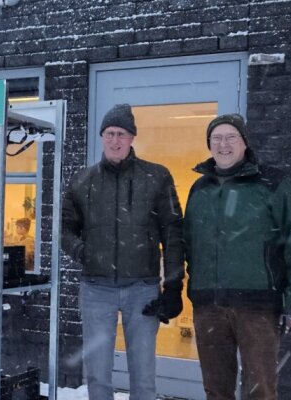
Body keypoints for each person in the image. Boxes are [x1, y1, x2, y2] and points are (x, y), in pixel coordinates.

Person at [183, 114, 291, 400]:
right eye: (216, 138)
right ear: (209, 144)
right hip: (209, 305)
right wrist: (195, 288)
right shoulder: (200, 189)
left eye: (231, 137)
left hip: (258, 306)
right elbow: (189, 243)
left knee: (260, 390)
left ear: (244, 143)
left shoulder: (272, 183)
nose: (223, 144)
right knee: (216, 390)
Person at [61, 103, 185, 400]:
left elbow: (173, 232)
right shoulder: (82, 180)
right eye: (110, 133)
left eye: (122, 134)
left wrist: (174, 285)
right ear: (102, 136)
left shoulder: (157, 177)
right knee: (98, 376)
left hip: (142, 289)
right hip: (96, 290)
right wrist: (82, 251)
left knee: (143, 377)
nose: (115, 140)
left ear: (132, 139)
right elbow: (64, 229)